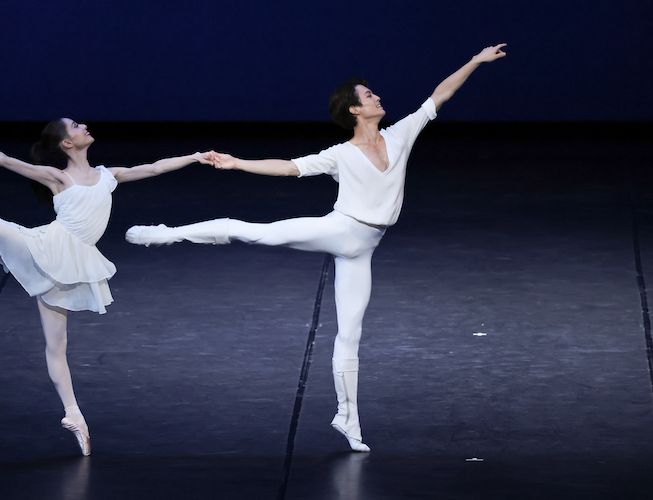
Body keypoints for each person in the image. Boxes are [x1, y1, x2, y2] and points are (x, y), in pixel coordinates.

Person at [126, 44, 507, 452]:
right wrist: (239, 163)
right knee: (257, 231)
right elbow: (291, 167)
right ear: (355, 111)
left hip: (365, 249)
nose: (376, 96)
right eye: (367, 95)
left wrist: (474, 61)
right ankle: (169, 233)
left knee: (351, 334)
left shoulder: (400, 135)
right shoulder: (341, 154)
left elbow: (440, 95)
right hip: (341, 229)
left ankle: (348, 419)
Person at [0, 118, 212, 456]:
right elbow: (4, 160)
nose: (84, 126)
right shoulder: (58, 177)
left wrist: (195, 157)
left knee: (57, 344)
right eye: (76, 127)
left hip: (72, 261)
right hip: (46, 247)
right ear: (66, 143)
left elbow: (154, 167)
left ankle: (74, 415)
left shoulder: (109, 175)